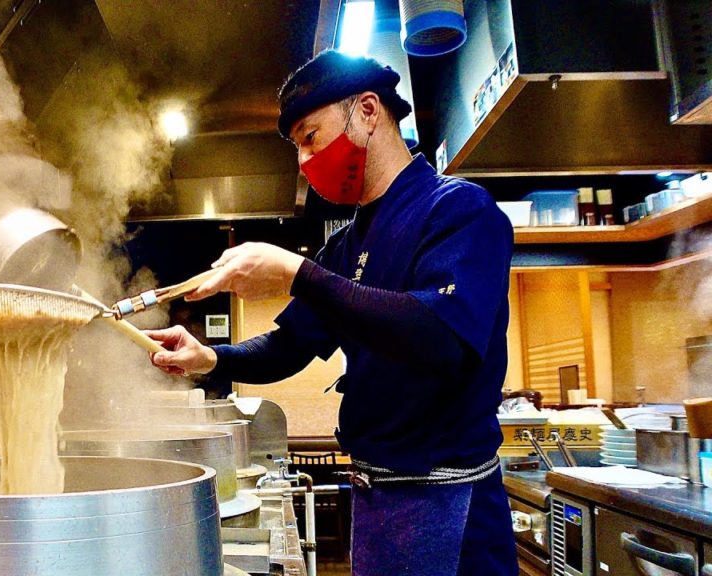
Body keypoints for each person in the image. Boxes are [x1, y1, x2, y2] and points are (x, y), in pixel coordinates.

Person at [144, 50, 517, 576]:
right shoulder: (345, 246)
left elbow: (441, 336)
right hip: (376, 497)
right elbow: (287, 346)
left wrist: (298, 274)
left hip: (448, 503)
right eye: (296, 147)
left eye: (310, 137)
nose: (302, 162)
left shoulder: (459, 210)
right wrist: (211, 359)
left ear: (367, 111)